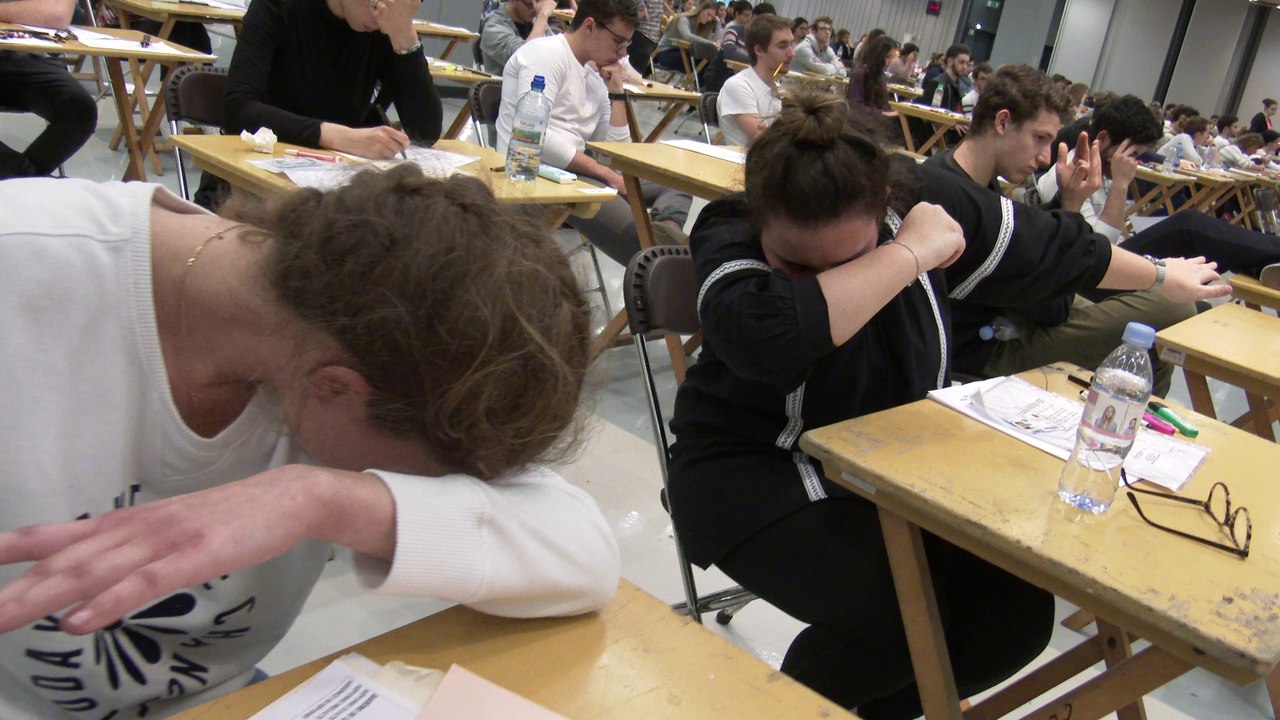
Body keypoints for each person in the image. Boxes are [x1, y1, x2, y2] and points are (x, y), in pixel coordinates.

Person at [666, 88, 1225, 720]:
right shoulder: (731, 226)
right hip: (750, 473)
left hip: (876, 472)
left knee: (1011, 620)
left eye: (852, 259)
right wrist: (906, 255)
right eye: (795, 265)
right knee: (896, 621)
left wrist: (1163, 278)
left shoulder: (917, 202)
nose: (824, 278)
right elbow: (766, 337)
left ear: (882, 206)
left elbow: (1050, 246)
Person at [0, 166, 620, 719]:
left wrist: (321, 500)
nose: (416, 488)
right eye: (420, 475)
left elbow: (584, 559)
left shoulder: (366, 336)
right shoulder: (25, 265)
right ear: (337, 388)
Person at [194, 0, 443, 209]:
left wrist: (404, 36)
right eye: (378, 5)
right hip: (246, 189)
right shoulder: (279, 6)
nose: (384, 17)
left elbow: (425, 130)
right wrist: (342, 138)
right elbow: (239, 109)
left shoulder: (384, 26)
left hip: (328, 196)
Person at [497, 0, 692, 264]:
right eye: (618, 41)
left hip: (576, 174)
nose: (623, 53)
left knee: (677, 182)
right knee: (651, 251)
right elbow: (533, 137)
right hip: (533, 172)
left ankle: (665, 234)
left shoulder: (594, 74)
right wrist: (606, 174)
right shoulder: (544, 55)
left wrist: (617, 93)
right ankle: (664, 251)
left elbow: (613, 154)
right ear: (590, 26)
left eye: (626, 44)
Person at [1034, 94, 1280, 289]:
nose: (1134, 162)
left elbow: (1113, 236)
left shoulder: (1103, 169)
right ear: (1104, 139)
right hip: (1091, 273)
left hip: (1111, 259)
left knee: (1206, 253)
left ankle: (1262, 267)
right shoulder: (1066, 175)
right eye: (1133, 154)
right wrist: (1121, 185)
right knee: (1189, 226)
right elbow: (1097, 249)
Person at [0, 0, 98, 179]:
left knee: (78, 109)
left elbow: (56, 14)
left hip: (26, 54)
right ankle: (25, 182)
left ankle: (20, 180)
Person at [716, 13, 791, 146]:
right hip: (751, 158)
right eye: (782, 46)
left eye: (791, 45)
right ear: (759, 50)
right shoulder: (739, 86)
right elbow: (765, 141)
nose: (792, 53)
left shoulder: (779, 90)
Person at [480, 0, 560, 75]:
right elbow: (526, 58)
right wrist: (543, 15)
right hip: (504, 84)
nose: (535, 11)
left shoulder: (535, 21)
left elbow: (557, 51)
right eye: (530, 5)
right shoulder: (493, 26)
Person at [654, 0, 718, 78]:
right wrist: (712, 43)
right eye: (708, 14)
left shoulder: (701, 26)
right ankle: (695, 84)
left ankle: (696, 84)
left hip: (681, 52)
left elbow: (710, 40)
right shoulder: (683, 19)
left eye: (712, 17)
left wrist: (717, 23)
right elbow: (687, 36)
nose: (709, 19)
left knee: (708, 64)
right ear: (700, 10)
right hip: (666, 53)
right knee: (700, 66)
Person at [698, 0, 752, 93]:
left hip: (733, 75)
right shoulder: (732, 29)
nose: (748, 19)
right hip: (721, 74)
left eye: (749, 16)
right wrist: (755, 62)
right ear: (737, 14)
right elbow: (729, 53)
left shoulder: (751, 36)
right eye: (746, 15)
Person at [845, 35, 898, 126]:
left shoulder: (881, 75)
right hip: (862, 123)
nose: (891, 62)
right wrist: (883, 113)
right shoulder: (860, 73)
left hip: (878, 119)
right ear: (878, 55)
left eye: (893, 57)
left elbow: (883, 104)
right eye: (888, 57)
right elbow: (855, 106)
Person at [919, 43, 970, 112]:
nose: (965, 67)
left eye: (967, 63)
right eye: (961, 62)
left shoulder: (962, 85)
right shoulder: (936, 84)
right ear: (950, 61)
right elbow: (925, 114)